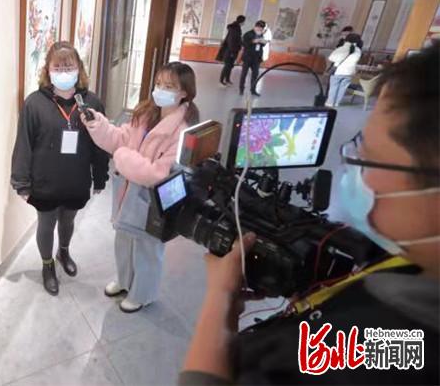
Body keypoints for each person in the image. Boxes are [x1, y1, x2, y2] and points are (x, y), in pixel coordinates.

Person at [180, 45, 439, 385]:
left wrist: (220, 297)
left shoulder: (389, 352)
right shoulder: (411, 275)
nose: (354, 170)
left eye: (367, 157)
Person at [82, 62, 200, 313]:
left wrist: (122, 157)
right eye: (158, 84)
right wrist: (98, 124)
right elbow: (120, 138)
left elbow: (158, 174)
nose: (160, 90)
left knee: (147, 250)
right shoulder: (147, 114)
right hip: (128, 196)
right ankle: (125, 281)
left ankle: (142, 294)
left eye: (169, 86)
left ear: (184, 93)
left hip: (153, 204)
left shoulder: (182, 131)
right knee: (123, 241)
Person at [11, 41, 109, 296]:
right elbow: (24, 144)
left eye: (69, 66)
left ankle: (63, 252)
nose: (64, 72)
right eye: (58, 67)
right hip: (45, 179)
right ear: (48, 70)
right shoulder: (34, 103)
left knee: (68, 219)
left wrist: (100, 177)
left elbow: (101, 144)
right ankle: (47, 266)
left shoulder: (92, 103)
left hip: (76, 177)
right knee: (46, 222)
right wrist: (21, 182)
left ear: (79, 68)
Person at [327, 32, 363, 107]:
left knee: (334, 87)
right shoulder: (358, 50)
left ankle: (330, 102)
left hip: (338, 71)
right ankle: (337, 103)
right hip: (349, 72)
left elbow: (331, 58)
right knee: (342, 88)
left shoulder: (342, 48)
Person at [239, 20, 267, 97]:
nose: (260, 29)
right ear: (255, 26)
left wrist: (263, 42)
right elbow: (244, 44)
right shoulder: (248, 34)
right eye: (259, 27)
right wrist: (253, 41)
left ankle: (253, 90)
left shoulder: (261, 34)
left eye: (262, 28)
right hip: (248, 57)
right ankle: (241, 89)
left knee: (255, 74)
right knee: (244, 74)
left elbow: (261, 45)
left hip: (256, 58)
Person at [218, 15, 246, 87]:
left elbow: (237, 40)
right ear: (242, 21)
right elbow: (231, 41)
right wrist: (232, 52)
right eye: (244, 22)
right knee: (227, 66)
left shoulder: (236, 28)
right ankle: (221, 81)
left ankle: (227, 80)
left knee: (230, 66)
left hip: (232, 50)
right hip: (230, 51)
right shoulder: (234, 29)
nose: (244, 23)